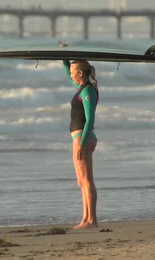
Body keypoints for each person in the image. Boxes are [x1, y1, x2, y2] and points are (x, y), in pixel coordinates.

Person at [63, 59, 99, 229]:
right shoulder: (83, 88)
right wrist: (64, 59)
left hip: (82, 138)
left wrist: (82, 143)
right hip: (79, 137)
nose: (71, 76)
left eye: (72, 73)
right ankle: (85, 218)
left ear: (80, 73)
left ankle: (92, 220)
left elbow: (90, 118)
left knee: (87, 180)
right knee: (81, 181)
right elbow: (69, 78)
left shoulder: (88, 91)